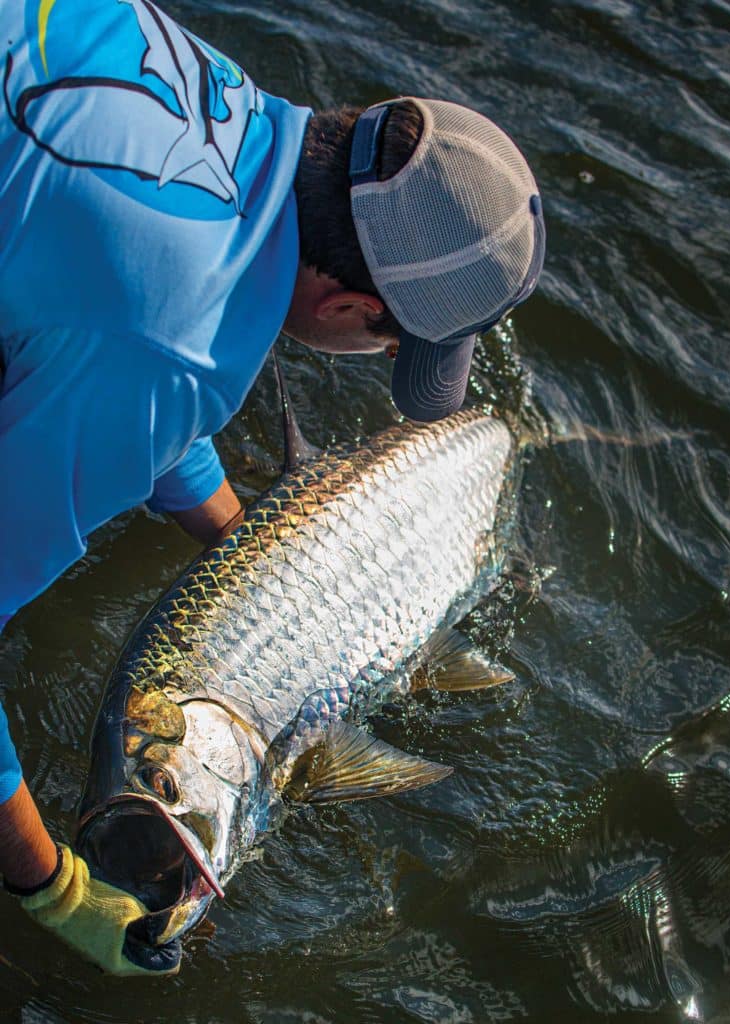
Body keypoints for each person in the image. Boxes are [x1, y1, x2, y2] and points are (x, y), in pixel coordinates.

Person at [0, 0, 545, 977]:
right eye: (385, 342)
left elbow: (108, 310)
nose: (368, 354)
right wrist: (50, 885)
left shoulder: (229, 99)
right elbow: (142, 349)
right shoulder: (172, 348)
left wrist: (258, 559)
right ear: (343, 304)